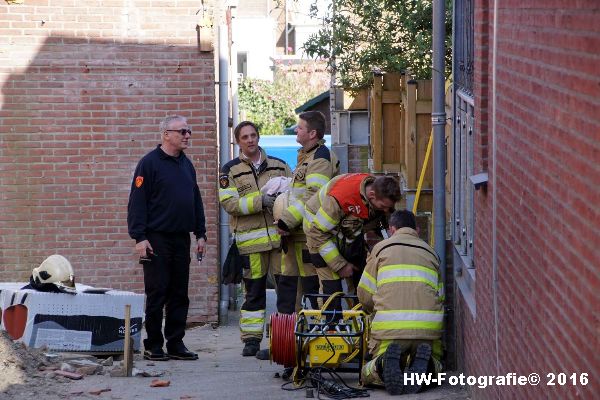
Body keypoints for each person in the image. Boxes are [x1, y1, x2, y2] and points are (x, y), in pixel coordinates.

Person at [127, 115, 206, 361]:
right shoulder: (149, 164)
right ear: (166, 134)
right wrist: (139, 237)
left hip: (181, 239)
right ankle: (153, 344)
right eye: (182, 131)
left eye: (188, 131)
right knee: (157, 292)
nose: (187, 135)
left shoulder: (186, 164)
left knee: (179, 293)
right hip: (156, 239)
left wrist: (200, 233)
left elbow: (195, 200)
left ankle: (175, 343)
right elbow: (137, 203)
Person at [218, 121, 291, 357]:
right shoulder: (229, 170)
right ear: (238, 141)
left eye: (253, 135)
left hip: (281, 242)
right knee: (254, 292)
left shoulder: (279, 165)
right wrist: (261, 201)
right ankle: (251, 340)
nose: (250, 140)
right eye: (244, 137)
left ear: (258, 137)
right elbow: (229, 203)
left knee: (286, 292)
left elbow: (295, 194)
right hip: (251, 244)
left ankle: (282, 341)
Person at [357, 210, 443, 395]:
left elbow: (364, 294)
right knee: (439, 368)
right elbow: (440, 297)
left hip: (390, 330)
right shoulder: (432, 254)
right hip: (427, 331)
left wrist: (372, 310)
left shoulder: (380, 249)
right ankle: (429, 367)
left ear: (392, 229)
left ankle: (381, 364)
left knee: (366, 373)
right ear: (417, 230)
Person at [275, 111, 340, 314]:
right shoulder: (307, 156)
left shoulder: (320, 158)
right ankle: (286, 340)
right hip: (296, 235)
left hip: (308, 236)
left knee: (312, 289)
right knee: (288, 289)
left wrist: (285, 221)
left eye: (300, 127)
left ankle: (314, 337)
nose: (296, 129)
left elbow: (313, 197)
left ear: (312, 133)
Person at [303, 173, 401, 305]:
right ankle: (331, 324)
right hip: (320, 237)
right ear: (371, 195)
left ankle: (357, 322)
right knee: (332, 292)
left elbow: (379, 219)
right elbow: (317, 232)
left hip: (347, 235)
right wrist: (340, 266)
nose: (385, 211)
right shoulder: (342, 198)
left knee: (362, 285)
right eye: (383, 207)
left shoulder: (377, 190)